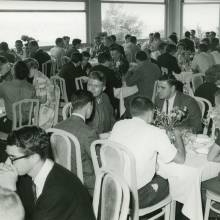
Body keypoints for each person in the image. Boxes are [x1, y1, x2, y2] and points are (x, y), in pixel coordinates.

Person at [2, 126, 95, 220]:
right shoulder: (29, 175)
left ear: (34, 157)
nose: (7, 163)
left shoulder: (57, 191)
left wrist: (9, 191)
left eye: (12, 158)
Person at [109, 96, 185, 208]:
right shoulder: (155, 132)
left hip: (112, 189)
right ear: (150, 113)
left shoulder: (118, 125)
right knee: (171, 182)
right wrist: (179, 137)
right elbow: (181, 159)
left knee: (158, 171)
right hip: (135, 197)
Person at [55, 90, 97, 196]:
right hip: (83, 181)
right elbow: (98, 162)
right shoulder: (88, 132)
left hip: (62, 176)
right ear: (89, 105)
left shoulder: (57, 127)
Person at [0, 61, 35, 133]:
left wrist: (2, 75)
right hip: (28, 125)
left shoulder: (5, 86)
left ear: (13, 72)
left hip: (11, 126)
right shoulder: (31, 88)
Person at [24, 58, 59, 129]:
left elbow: (43, 100)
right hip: (47, 107)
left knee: (24, 116)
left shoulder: (40, 79)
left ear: (33, 68)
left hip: (46, 111)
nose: (26, 73)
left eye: (27, 70)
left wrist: (30, 100)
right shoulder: (39, 75)